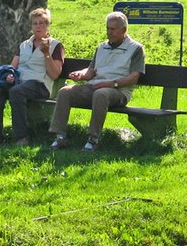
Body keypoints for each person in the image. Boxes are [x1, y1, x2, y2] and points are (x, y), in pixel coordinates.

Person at [49, 11, 145, 151]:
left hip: (119, 90)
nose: (109, 32)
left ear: (124, 30)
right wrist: (80, 75)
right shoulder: (101, 47)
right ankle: (60, 137)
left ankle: (93, 139)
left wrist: (112, 84)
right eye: (107, 28)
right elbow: (91, 72)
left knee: (101, 94)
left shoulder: (136, 49)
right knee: (65, 92)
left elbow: (134, 77)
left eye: (113, 29)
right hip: (95, 86)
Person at [0, 8, 64, 146]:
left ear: (47, 25)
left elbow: (55, 74)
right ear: (31, 26)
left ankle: (22, 137)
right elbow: (13, 67)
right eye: (35, 23)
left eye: (42, 23)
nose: (38, 26)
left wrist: (46, 54)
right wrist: (10, 75)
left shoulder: (55, 46)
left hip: (40, 84)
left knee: (16, 91)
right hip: (20, 82)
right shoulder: (24, 45)